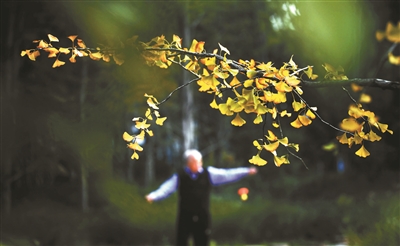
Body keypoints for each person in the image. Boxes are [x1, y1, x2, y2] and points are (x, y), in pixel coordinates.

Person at [145, 149, 257, 246]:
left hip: (202, 216)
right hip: (185, 216)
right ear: (188, 163)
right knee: (181, 242)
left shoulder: (209, 173)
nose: (198, 163)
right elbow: (166, 188)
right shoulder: (180, 176)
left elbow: (227, 174)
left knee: (202, 242)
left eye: (199, 161)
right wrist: (153, 196)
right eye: (194, 161)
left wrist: (246, 171)